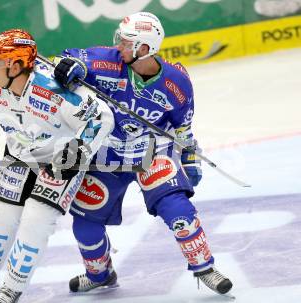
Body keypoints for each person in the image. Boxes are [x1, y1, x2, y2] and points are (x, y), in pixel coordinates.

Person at [52, 12, 233, 296]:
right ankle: (100, 274)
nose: (119, 47)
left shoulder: (177, 82)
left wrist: (188, 157)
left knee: (179, 209)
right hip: (106, 153)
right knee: (85, 225)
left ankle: (204, 267)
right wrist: (67, 67)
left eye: (126, 43)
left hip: (150, 150)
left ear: (145, 48)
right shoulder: (104, 60)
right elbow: (67, 59)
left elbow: (183, 126)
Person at [0, 29, 114, 303]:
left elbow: (101, 118)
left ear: (16, 65)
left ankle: (11, 287)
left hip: (59, 161)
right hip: (20, 153)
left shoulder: (55, 89)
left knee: (36, 219)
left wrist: (80, 151)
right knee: (1, 215)